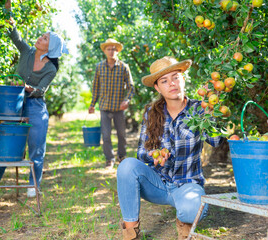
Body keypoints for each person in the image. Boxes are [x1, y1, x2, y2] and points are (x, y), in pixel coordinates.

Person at [0, 0, 68, 198]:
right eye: (42, 36)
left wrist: (28, 87)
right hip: (14, 103)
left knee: (37, 146)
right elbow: (13, 33)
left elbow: (41, 90)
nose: (40, 38)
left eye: (45, 38)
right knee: (5, 141)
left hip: (35, 105)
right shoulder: (27, 51)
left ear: (50, 48)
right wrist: (8, 8)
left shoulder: (51, 68)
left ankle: (33, 186)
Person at [117, 56, 225, 240]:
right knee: (127, 165)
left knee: (193, 209)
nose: (172, 83)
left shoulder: (199, 109)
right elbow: (141, 154)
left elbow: (216, 142)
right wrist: (153, 156)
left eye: (175, 77)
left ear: (184, 78)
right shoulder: (152, 113)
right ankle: (131, 233)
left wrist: (210, 113)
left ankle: (184, 221)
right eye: (164, 81)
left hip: (187, 185)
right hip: (156, 184)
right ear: (158, 88)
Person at [88, 39, 134, 168]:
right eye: (108, 49)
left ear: (117, 51)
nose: (111, 51)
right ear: (104, 51)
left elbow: (131, 87)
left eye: (114, 49)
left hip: (119, 108)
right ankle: (109, 159)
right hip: (105, 107)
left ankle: (122, 156)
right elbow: (96, 87)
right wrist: (92, 104)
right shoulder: (99, 67)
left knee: (122, 135)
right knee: (106, 135)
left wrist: (127, 100)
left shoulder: (124, 67)